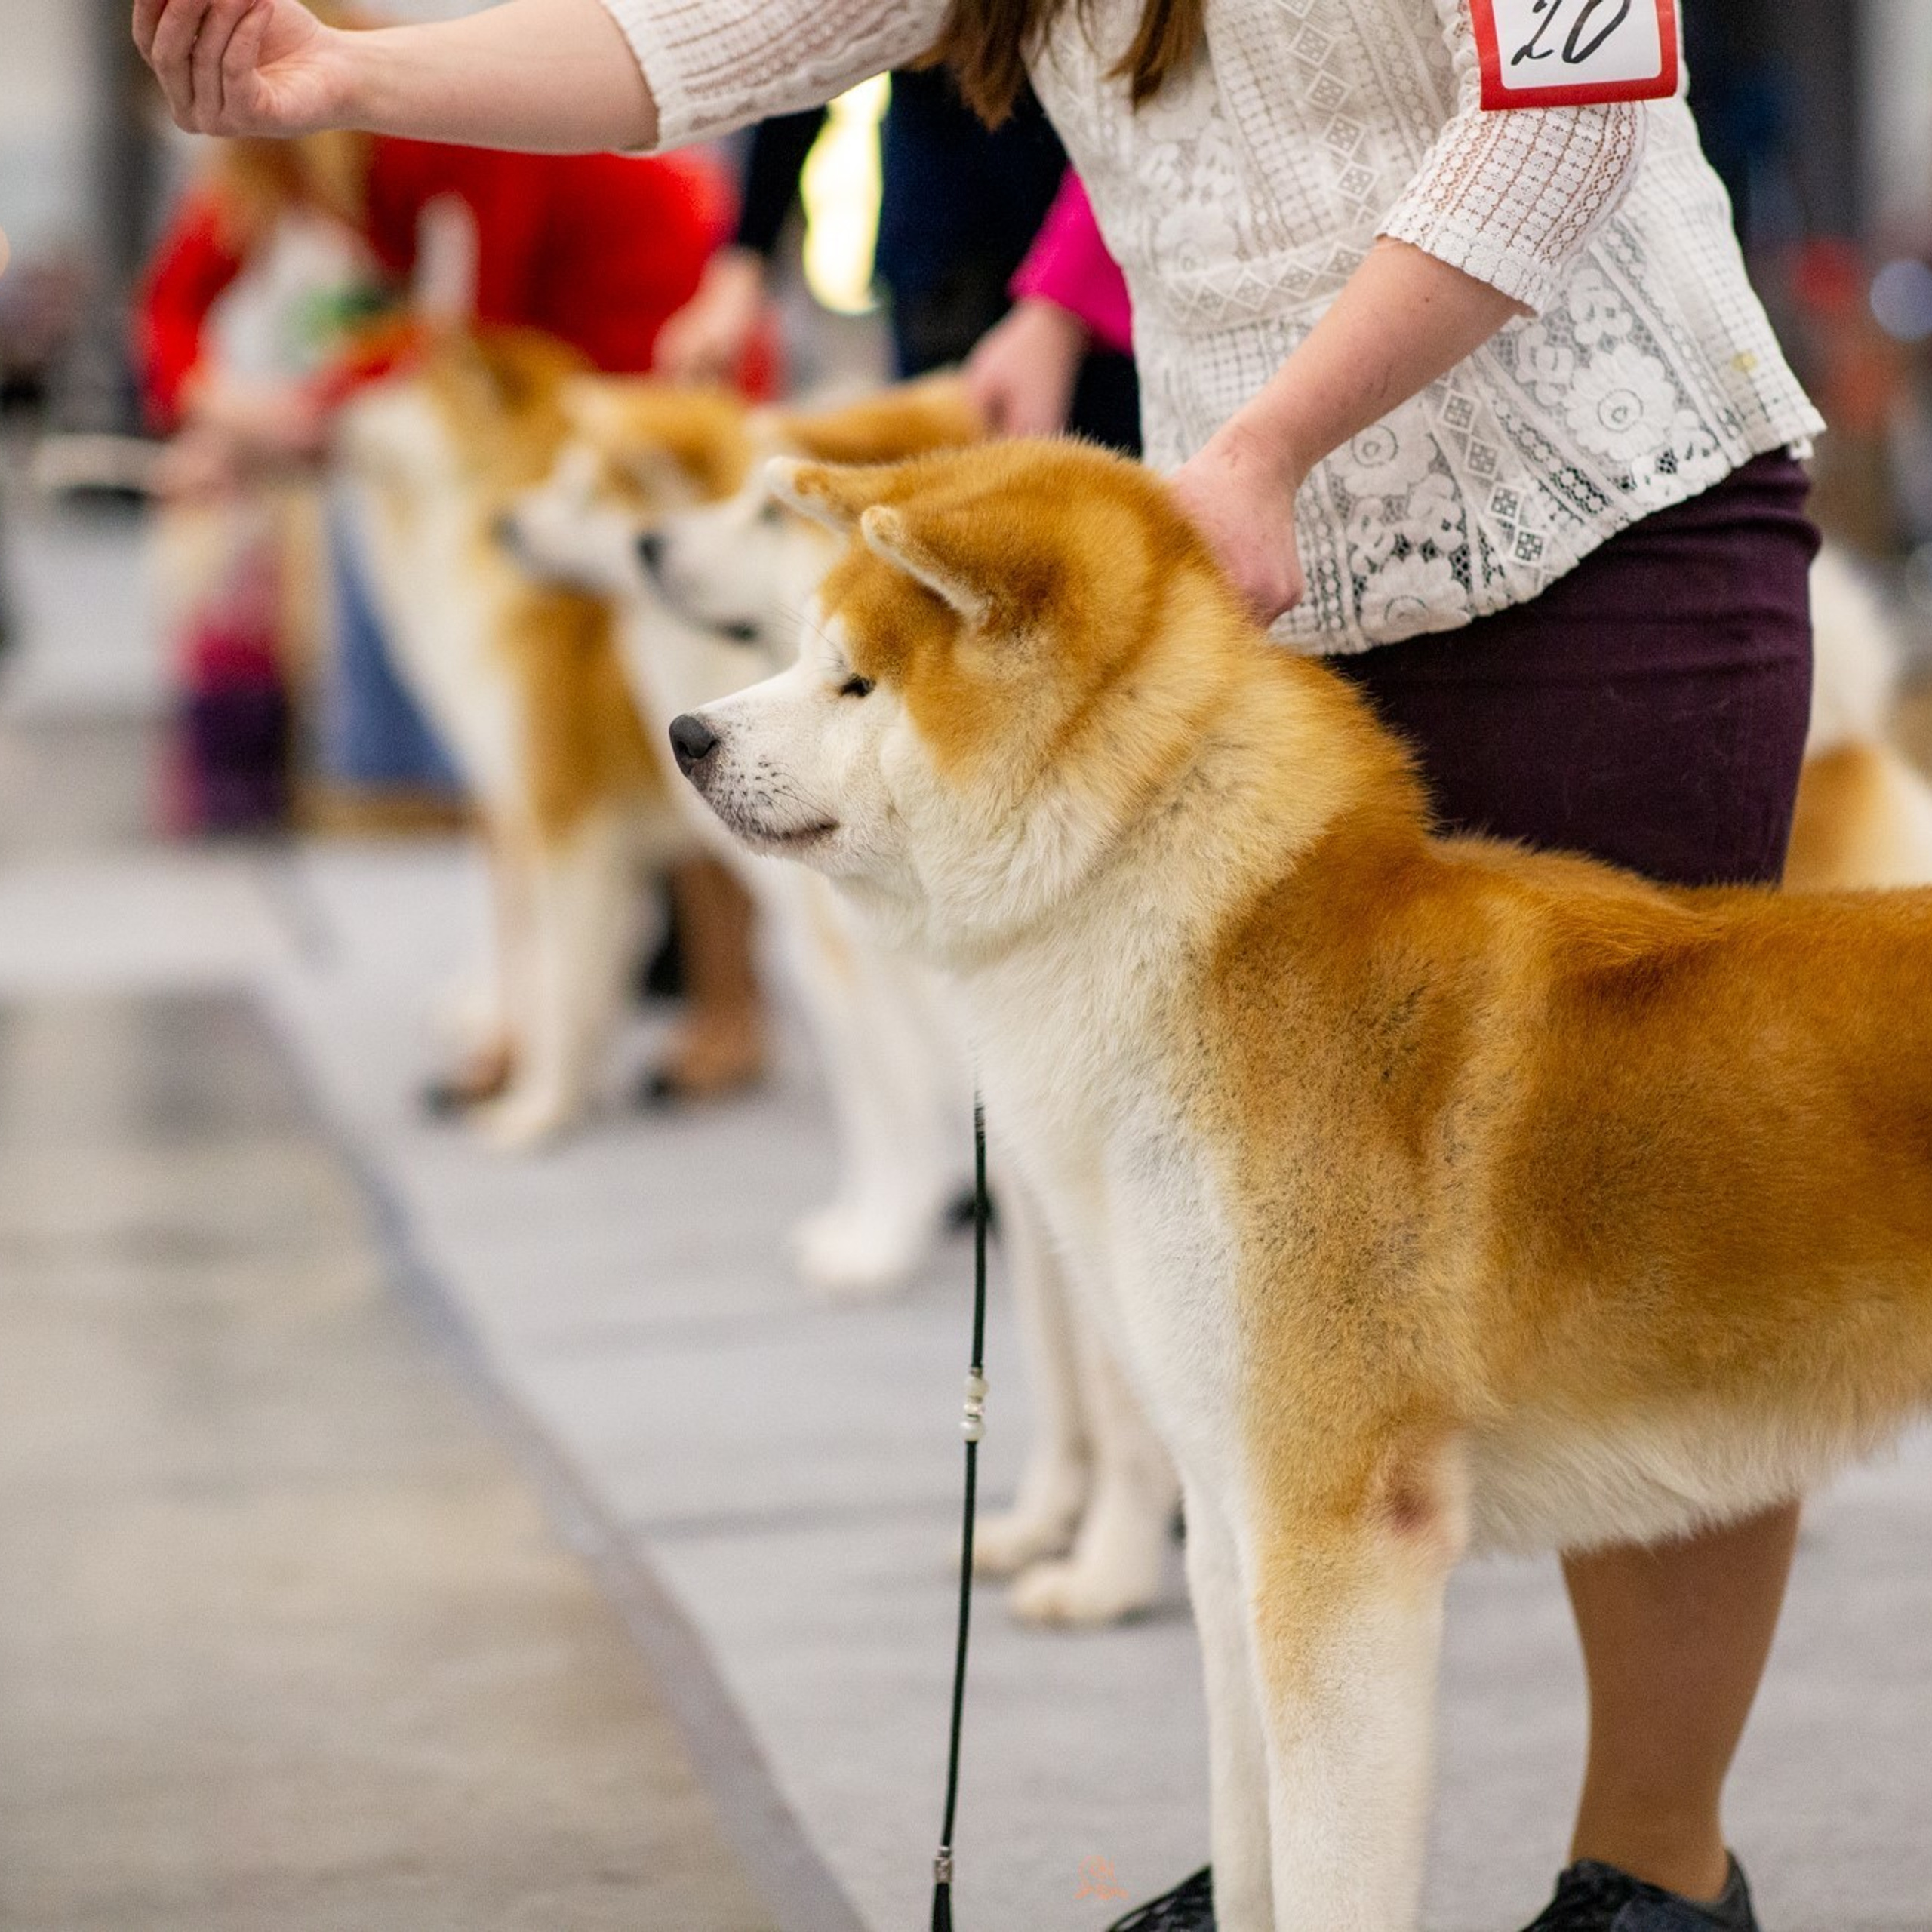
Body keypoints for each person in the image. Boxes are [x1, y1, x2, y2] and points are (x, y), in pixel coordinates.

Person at [131, 3, 1824, 1927]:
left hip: (1602, 536)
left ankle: (1654, 1872)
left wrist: (1263, 432)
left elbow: (1571, 114)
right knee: (1254, 1341)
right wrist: (350, 74)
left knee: (1652, 1259)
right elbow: (708, 35)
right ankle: (1283, 1876)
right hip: (1258, 600)